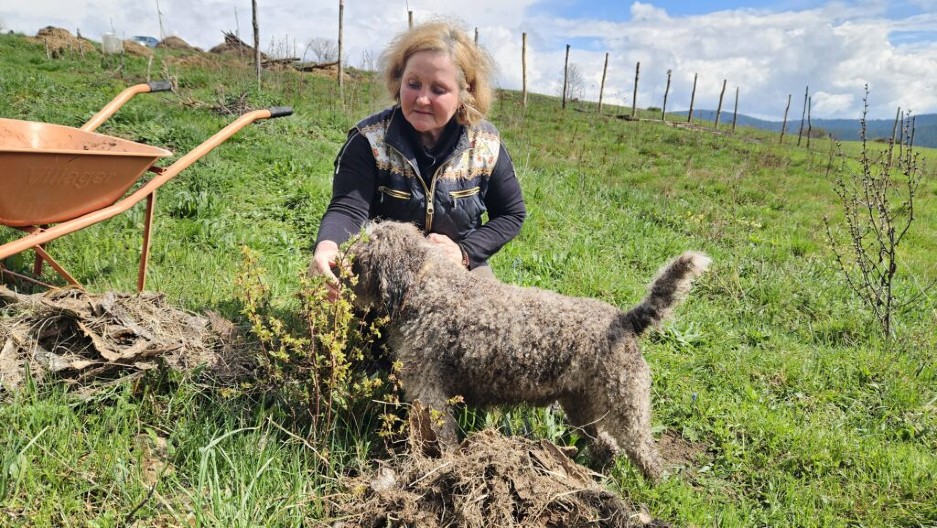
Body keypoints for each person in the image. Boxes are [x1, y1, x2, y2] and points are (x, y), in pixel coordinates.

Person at [309, 20, 526, 291]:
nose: (422, 99)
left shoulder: (485, 146)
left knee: (483, 323)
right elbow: (348, 208)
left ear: (465, 93)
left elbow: (511, 214)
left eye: (438, 89)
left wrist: (464, 252)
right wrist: (328, 245)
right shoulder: (369, 140)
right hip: (382, 267)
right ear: (399, 80)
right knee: (327, 295)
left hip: (456, 267)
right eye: (413, 84)